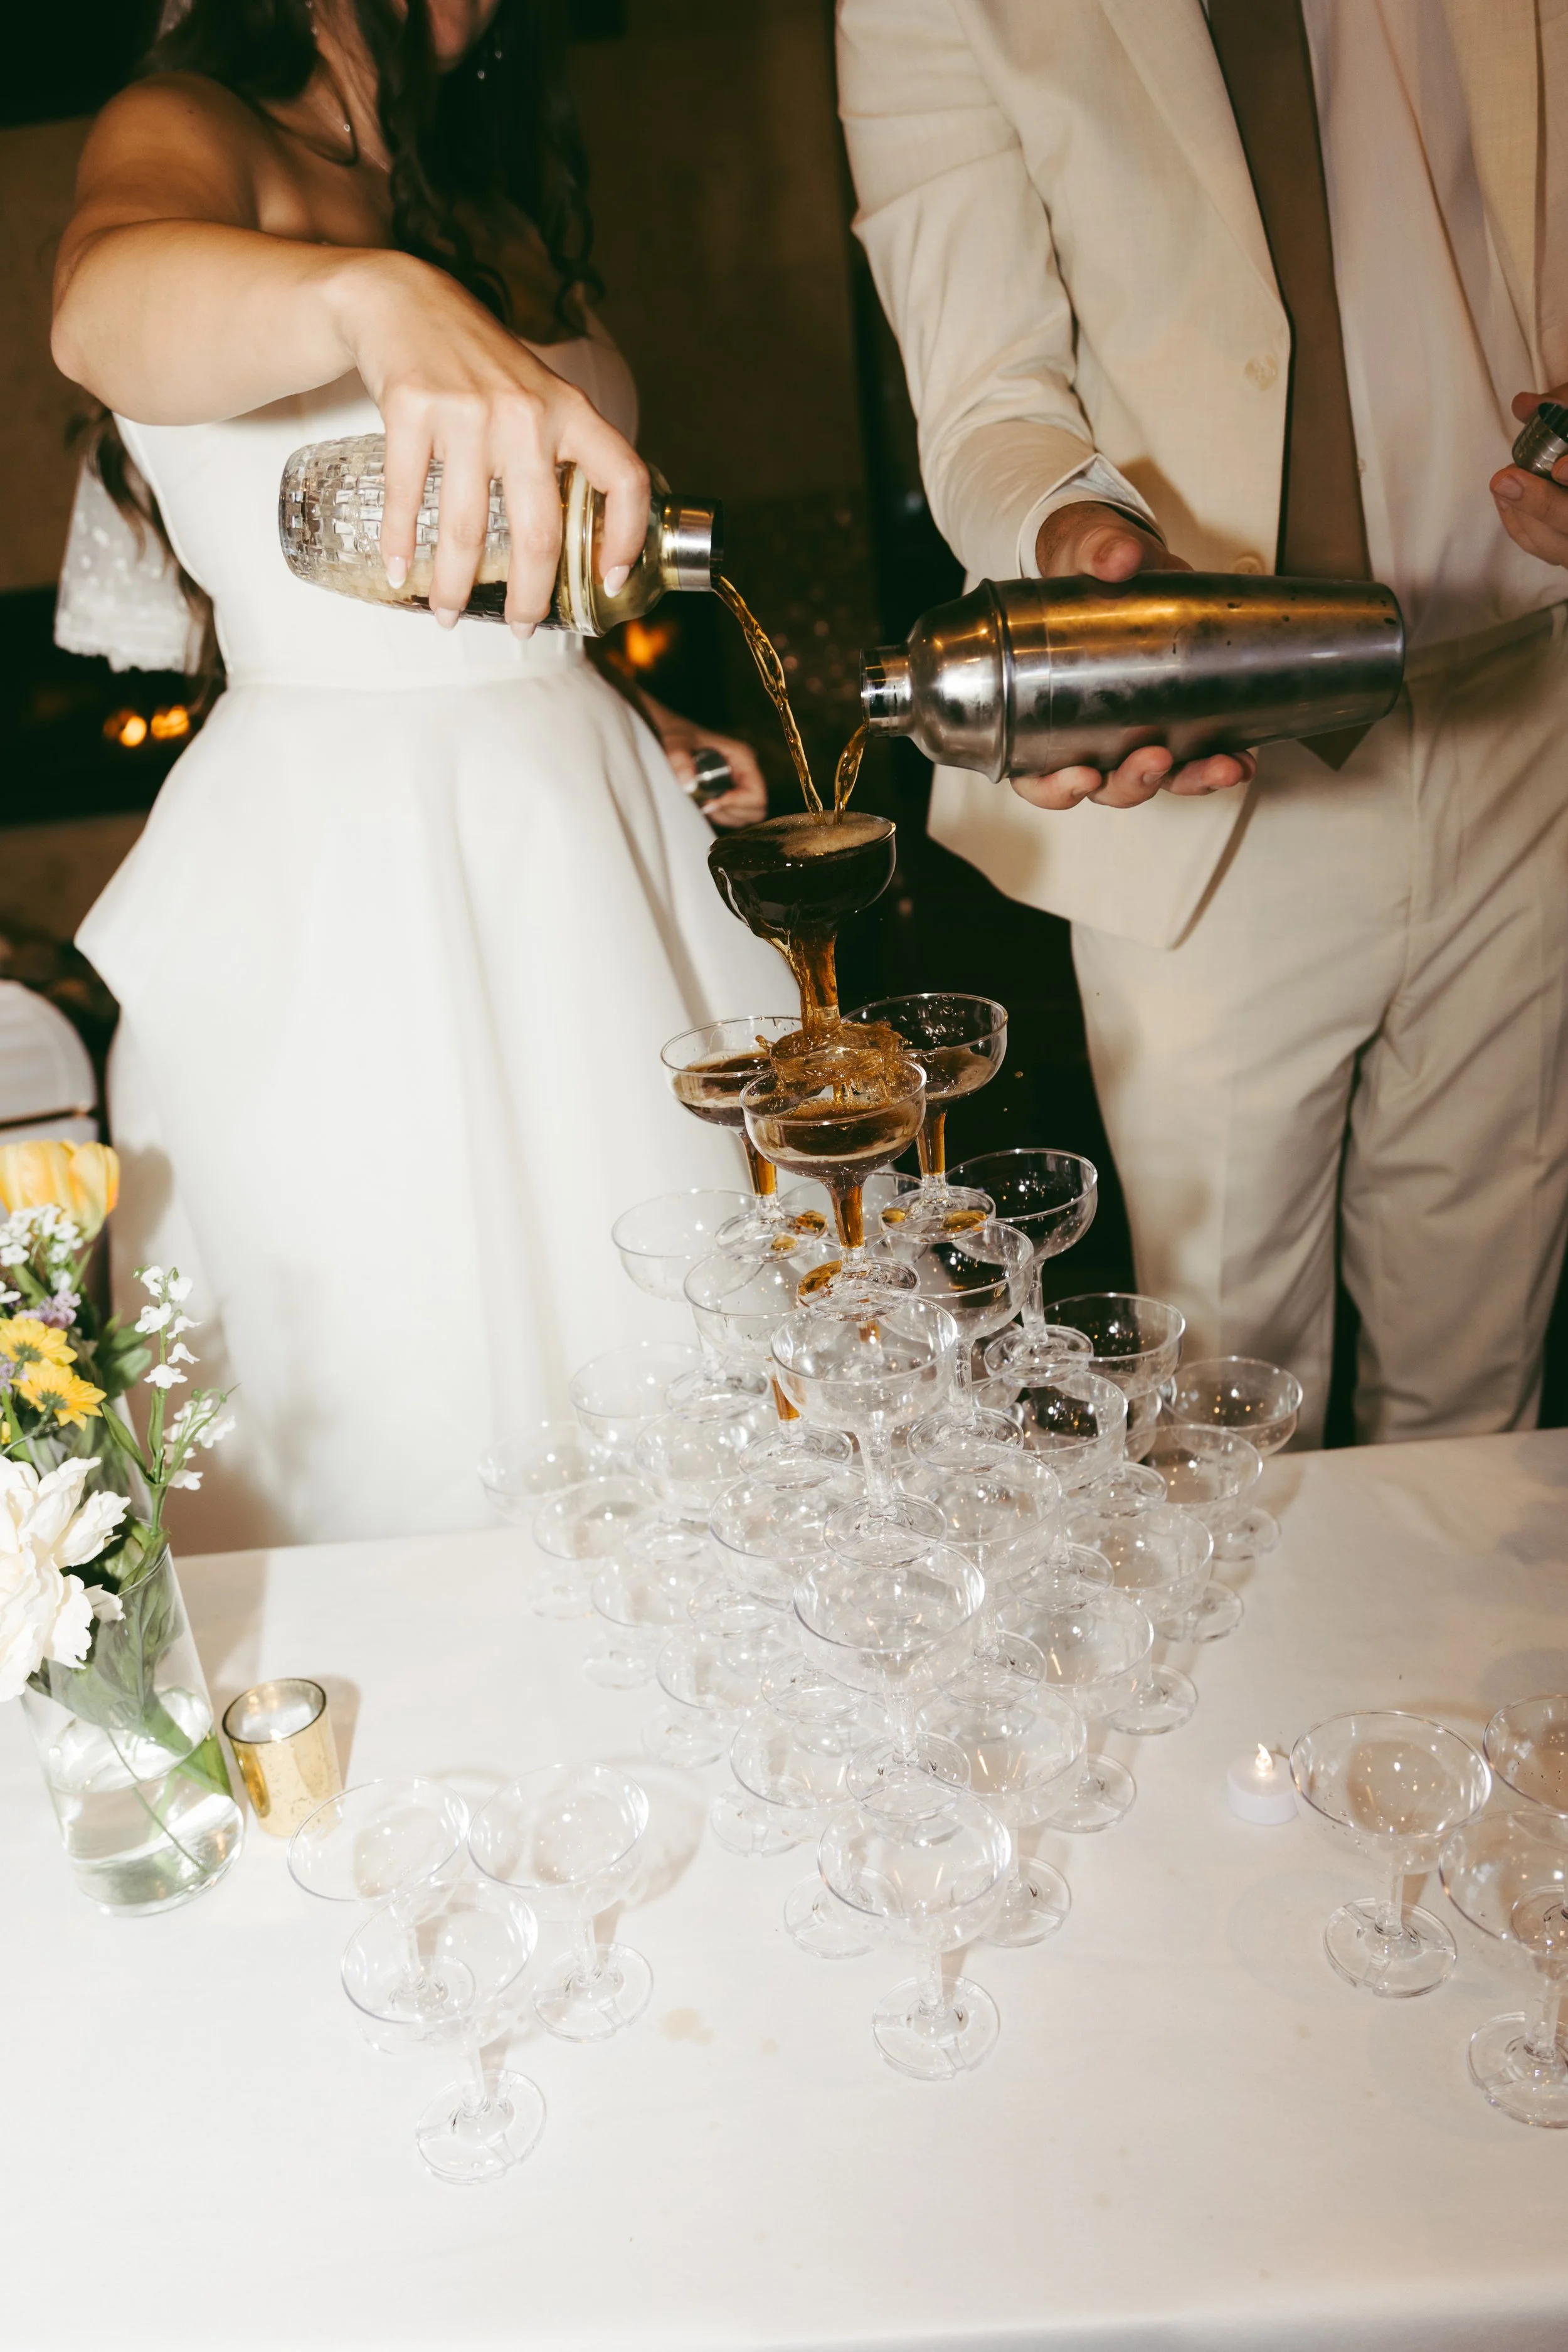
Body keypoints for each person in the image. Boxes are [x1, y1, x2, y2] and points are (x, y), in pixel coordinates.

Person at [50, 0, 783, 1545]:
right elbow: (99, 310)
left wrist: (644, 746)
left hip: (586, 868)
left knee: (664, 1365)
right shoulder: (188, 124)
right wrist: (369, 300)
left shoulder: (487, 200)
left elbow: (507, 594)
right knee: (405, 1399)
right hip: (347, 892)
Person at [838, 0, 1568, 1444]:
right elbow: (987, 397)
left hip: (1527, 689)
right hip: (1205, 763)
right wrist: (1077, 535)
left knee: (1488, 1382)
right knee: (1229, 1402)